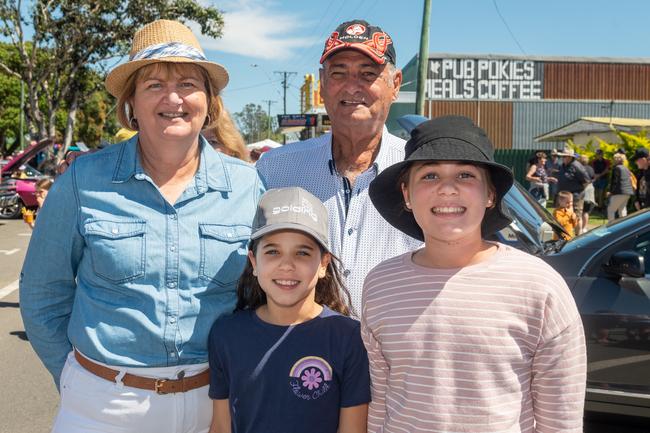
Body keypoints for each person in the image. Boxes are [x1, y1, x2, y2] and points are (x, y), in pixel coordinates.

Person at [20, 19, 264, 433]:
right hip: (102, 406)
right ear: (131, 102)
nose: (173, 98)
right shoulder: (82, 181)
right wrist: (78, 379)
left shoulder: (246, 185)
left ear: (209, 100)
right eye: (153, 85)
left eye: (188, 83)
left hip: (217, 405)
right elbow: (42, 293)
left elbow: (260, 294)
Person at [363, 116, 586, 433]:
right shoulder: (380, 284)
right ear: (407, 194)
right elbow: (379, 404)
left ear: (491, 195)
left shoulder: (540, 287)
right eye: (429, 176)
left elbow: (560, 421)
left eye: (465, 175)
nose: (447, 189)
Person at [256, 19, 421, 316]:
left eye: (368, 74)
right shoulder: (276, 170)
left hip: (395, 354)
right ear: (322, 83)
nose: (352, 86)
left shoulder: (421, 171)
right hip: (301, 354)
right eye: (339, 73)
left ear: (394, 84)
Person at [207, 187, 370, 433]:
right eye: (273, 251)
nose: (286, 265)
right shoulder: (226, 334)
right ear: (253, 261)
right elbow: (221, 426)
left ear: (323, 263)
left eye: (302, 253)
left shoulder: (349, 337)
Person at [556, 146, 589, 234]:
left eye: (565, 156)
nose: (563, 158)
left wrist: (578, 193)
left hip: (575, 196)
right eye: (562, 156)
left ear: (570, 157)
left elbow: (586, 181)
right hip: (563, 195)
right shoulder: (563, 165)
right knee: (561, 214)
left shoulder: (577, 166)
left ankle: (578, 236)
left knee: (576, 216)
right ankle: (562, 234)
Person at [607, 152, 634, 222]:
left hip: (619, 192)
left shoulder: (616, 168)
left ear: (616, 160)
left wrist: (611, 192)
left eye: (613, 159)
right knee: (622, 209)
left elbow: (615, 181)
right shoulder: (626, 168)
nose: (612, 160)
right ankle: (624, 226)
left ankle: (611, 227)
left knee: (611, 209)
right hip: (628, 192)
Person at [579, 154, 596, 231]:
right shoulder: (591, 168)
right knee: (586, 211)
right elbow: (593, 178)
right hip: (590, 189)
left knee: (579, 210)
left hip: (582, 189)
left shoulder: (579, 168)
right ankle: (584, 228)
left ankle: (579, 227)